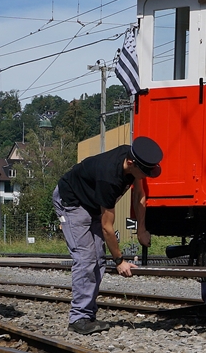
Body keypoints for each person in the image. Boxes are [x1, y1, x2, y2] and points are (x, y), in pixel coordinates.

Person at [52, 136, 163, 334]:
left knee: (98, 260)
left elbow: (139, 196)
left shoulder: (133, 159)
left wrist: (141, 229)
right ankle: (78, 319)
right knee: (86, 259)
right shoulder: (109, 178)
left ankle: (87, 314)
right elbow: (107, 227)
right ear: (131, 163)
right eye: (143, 172)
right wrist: (120, 260)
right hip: (72, 202)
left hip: (91, 203)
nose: (144, 176)